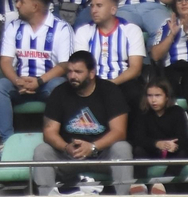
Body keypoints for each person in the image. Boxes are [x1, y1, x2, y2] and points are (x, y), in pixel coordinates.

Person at [30, 50, 134, 196]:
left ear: (91, 73)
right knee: (42, 150)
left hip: (101, 155)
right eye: (70, 71)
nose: (72, 76)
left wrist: (92, 147)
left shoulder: (110, 91)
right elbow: (49, 132)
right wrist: (66, 147)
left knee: (122, 148)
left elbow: (119, 132)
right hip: (69, 155)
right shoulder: (59, 92)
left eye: (78, 72)